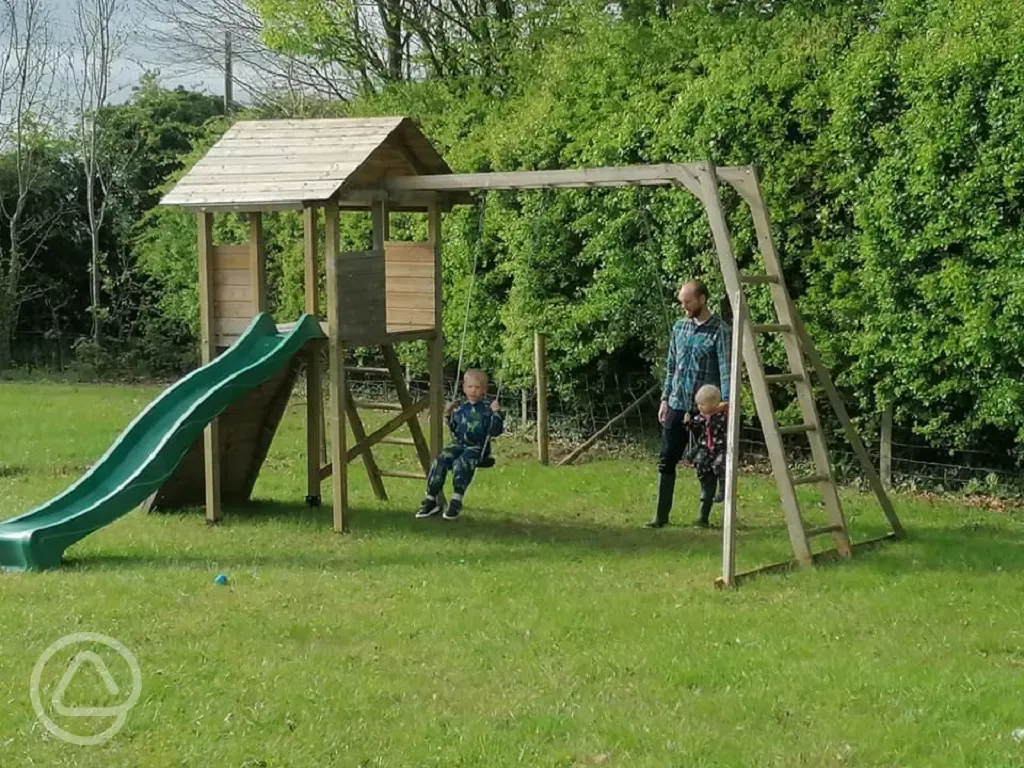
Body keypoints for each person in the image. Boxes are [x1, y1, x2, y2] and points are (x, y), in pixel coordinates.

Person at [646, 278, 732, 528]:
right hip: (676, 404)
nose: (684, 306)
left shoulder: (720, 331)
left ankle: (703, 517)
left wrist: (724, 404)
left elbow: (725, 370)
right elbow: (671, 366)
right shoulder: (679, 328)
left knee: (705, 462)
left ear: (702, 299)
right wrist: (664, 399)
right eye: (681, 302)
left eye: (688, 301)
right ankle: (660, 517)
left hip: (705, 410)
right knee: (666, 459)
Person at [416, 368, 504, 521]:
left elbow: (495, 431)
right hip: (458, 444)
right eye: (470, 387)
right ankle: (430, 499)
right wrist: (448, 414)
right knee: (440, 461)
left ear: (484, 390)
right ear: (464, 388)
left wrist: (496, 413)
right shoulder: (461, 408)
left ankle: (456, 500)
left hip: (476, 447)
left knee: (461, 464)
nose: (473, 391)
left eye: (477, 387)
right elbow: (454, 428)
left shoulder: (487, 410)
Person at [686, 384, 729, 527]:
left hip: (719, 449)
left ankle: (723, 490)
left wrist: (711, 418)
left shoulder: (721, 416)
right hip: (706, 450)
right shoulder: (701, 416)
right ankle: (704, 482)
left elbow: (719, 426)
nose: (699, 407)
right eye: (698, 404)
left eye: (702, 404)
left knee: (720, 467)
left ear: (713, 404)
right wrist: (689, 423)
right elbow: (696, 427)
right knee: (701, 464)